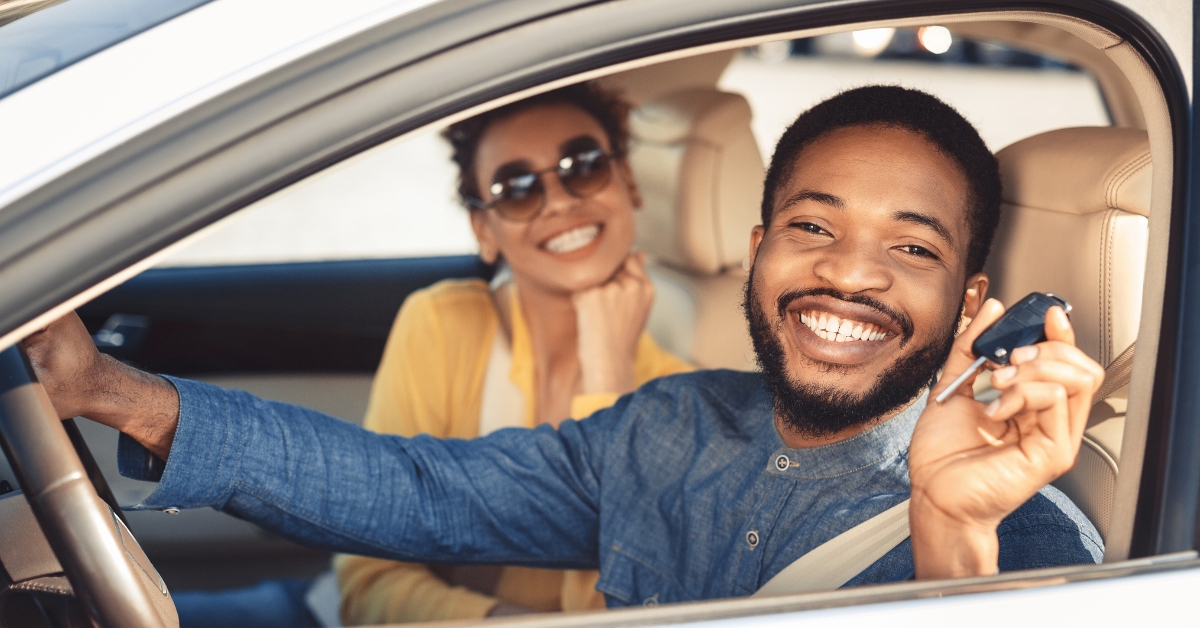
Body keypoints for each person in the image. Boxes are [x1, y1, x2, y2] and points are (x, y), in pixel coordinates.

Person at [25, 86, 1107, 608]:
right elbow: (412, 486)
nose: (849, 274)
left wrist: (951, 536)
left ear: (970, 304)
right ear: (758, 252)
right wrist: (112, 389)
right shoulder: (667, 424)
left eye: (908, 248)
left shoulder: (1028, 536)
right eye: (813, 227)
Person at [334, 83, 693, 623]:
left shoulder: (684, 401)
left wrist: (608, 382)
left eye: (585, 165)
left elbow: (622, 611)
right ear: (484, 230)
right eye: (518, 188)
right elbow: (369, 579)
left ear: (630, 184)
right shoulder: (441, 324)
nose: (560, 201)